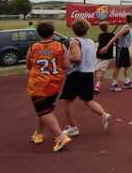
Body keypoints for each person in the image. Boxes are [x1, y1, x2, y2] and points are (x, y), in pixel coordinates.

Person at [62, 19, 113, 137]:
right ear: (87, 29)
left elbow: (77, 58)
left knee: (68, 101)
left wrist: (64, 58)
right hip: (88, 74)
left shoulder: (74, 42)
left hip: (76, 74)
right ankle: (104, 115)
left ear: (74, 30)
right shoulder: (90, 41)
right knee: (88, 100)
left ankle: (73, 128)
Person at [26, 22, 71, 152]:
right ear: (53, 32)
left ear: (38, 33)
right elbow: (67, 65)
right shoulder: (61, 46)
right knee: (45, 110)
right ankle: (38, 133)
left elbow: (28, 66)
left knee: (43, 111)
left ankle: (60, 136)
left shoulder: (33, 47)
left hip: (38, 85)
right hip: (55, 84)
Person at [100, 14, 132, 92]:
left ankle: (127, 82)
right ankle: (114, 84)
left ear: (125, 20)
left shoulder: (128, 28)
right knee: (118, 66)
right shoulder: (126, 29)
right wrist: (107, 46)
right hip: (120, 49)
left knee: (127, 65)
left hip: (125, 49)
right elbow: (115, 37)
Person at [94, 22, 114, 94]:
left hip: (103, 55)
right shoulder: (110, 35)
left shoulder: (101, 35)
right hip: (103, 55)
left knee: (100, 70)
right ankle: (97, 85)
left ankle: (97, 86)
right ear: (107, 27)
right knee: (98, 70)